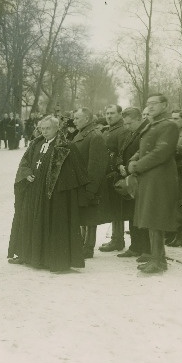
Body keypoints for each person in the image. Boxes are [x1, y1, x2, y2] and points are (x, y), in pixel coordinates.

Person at [7, 115, 88, 272]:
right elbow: (25, 162)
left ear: (57, 128)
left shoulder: (66, 147)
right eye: (41, 129)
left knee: (52, 225)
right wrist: (27, 172)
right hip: (33, 192)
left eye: (48, 128)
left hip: (54, 196)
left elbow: (73, 175)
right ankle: (28, 255)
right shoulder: (36, 143)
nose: (44, 132)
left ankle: (55, 261)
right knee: (28, 220)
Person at [127, 93, 179, 274]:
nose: (150, 107)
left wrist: (137, 166)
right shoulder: (152, 125)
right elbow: (143, 149)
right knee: (150, 218)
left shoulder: (169, 125)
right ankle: (156, 258)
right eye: (148, 104)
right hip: (149, 176)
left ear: (165, 105)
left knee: (156, 218)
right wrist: (133, 160)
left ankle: (158, 260)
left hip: (160, 178)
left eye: (154, 103)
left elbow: (161, 152)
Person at [113, 107, 152, 259]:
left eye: (129, 123)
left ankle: (146, 249)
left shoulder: (146, 131)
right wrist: (120, 165)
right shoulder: (132, 132)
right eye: (125, 123)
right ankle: (135, 246)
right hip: (129, 175)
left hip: (140, 177)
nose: (127, 126)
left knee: (141, 215)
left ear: (138, 119)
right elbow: (121, 152)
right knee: (132, 213)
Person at [71, 107, 109, 258]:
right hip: (80, 183)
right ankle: (82, 244)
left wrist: (91, 189)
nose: (74, 121)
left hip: (89, 184)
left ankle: (88, 247)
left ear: (86, 119)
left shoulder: (94, 136)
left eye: (77, 118)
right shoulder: (83, 134)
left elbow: (96, 166)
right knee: (83, 215)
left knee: (90, 217)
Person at [99, 105, 130, 252]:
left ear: (120, 115)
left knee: (118, 209)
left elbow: (122, 152)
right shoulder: (108, 130)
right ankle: (115, 238)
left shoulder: (122, 130)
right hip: (107, 173)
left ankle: (118, 240)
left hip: (116, 173)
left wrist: (118, 166)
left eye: (112, 113)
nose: (109, 116)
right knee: (113, 207)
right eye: (107, 113)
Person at [166, 109, 182, 247]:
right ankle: (172, 234)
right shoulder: (173, 133)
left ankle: (181, 236)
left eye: (176, 119)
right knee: (172, 205)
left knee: (181, 205)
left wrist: (172, 145)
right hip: (172, 173)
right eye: (172, 118)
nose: (173, 121)